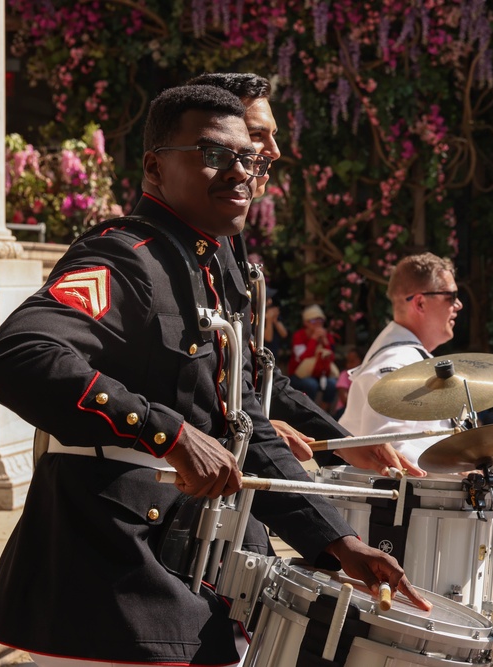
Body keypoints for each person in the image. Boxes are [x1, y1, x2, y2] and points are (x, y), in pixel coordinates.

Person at [0, 85, 428, 667]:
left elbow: (246, 426)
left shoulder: (205, 267)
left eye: (250, 157)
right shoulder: (124, 257)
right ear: (155, 166)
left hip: (186, 577)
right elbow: (18, 354)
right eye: (215, 154)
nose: (240, 171)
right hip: (108, 584)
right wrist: (171, 434)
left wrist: (339, 542)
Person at [187, 71, 416, 477]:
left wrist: (345, 444)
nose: (274, 151)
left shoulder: (226, 241)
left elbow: (253, 382)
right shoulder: (142, 250)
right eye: (259, 135)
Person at [339, 252, 493, 545]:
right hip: (414, 522)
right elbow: (392, 450)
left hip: (429, 509)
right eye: (451, 295)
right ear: (420, 302)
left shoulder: (409, 359)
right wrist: (463, 471)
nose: (459, 304)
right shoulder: (396, 365)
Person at [288, 304, 339, 409]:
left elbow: (331, 358)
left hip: (321, 373)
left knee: (332, 384)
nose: (317, 324)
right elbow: (302, 358)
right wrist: (314, 339)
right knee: (311, 385)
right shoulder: (299, 336)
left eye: (320, 320)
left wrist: (325, 342)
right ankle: (308, 411)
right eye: (313, 321)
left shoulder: (327, 335)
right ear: (305, 323)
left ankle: (324, 412)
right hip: (300, 374)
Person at [262, 286, 289, 360]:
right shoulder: (256, 315)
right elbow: (268, 338)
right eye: (267, 299)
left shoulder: (271, 311)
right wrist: (269, 320)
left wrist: (275, 320)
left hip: (274, 354)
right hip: (263, 356)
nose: (270, 301)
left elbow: (284, 334)